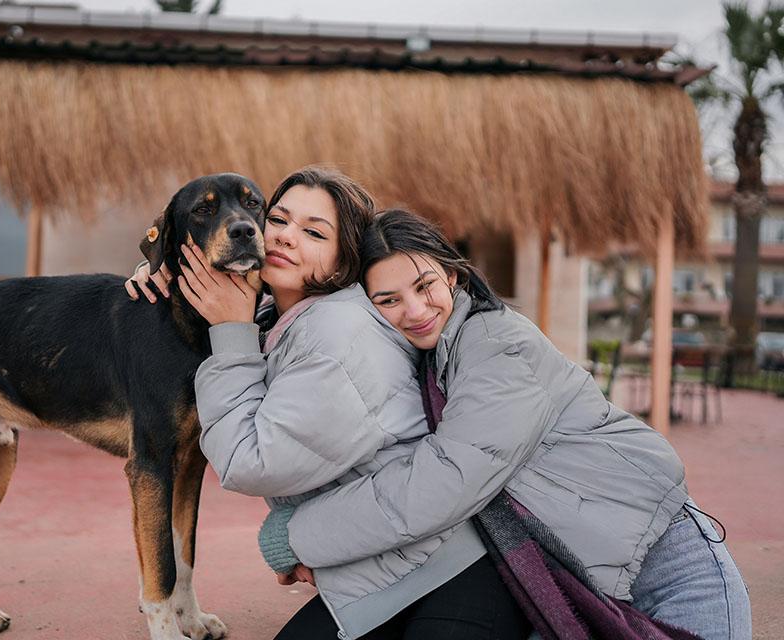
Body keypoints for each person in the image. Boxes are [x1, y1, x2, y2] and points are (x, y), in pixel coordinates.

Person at [256, 208, 752, 640]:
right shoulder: (429, 358)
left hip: (671, 570)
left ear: (452, 275)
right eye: (387, 300)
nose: (414, 310)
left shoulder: (495, 344)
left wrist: (295, 536)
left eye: (424, 285)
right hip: (571, 578)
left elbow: (443, 481)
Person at [127, 168, 531, 639]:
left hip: (448, 568)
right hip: (381, 567)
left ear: (342, 262)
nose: (283, 236)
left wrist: (230, 333)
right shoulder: (276, 318)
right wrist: (160, 270)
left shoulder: (337, 333)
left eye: (315, 232)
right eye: (277, 219)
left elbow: (249, 463)